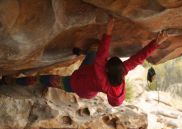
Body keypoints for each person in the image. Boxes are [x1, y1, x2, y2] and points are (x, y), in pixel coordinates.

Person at [0, 18, 168, 106]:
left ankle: (11, 81)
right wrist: (156, 43)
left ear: (106, 70)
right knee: (94, 49)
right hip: (90, 80)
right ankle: (83, 53)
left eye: (106, 64)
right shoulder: (120, 73)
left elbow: (102, 55)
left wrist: (108, 32)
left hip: (76, 84)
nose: (106, 62)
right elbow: (138, 58)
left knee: (41, 79)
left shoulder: (101, 73)